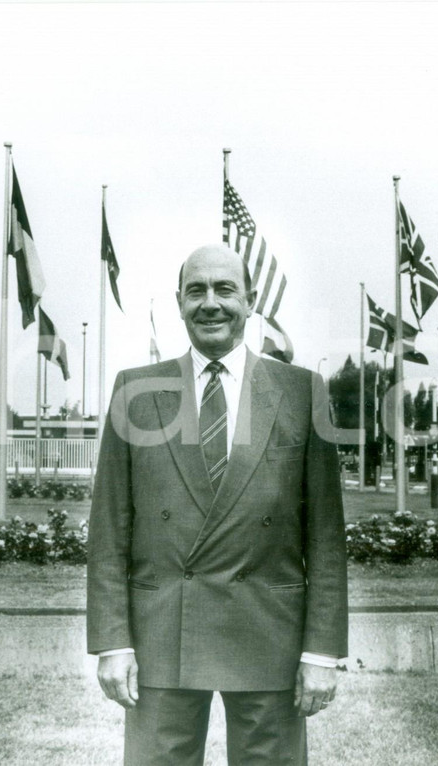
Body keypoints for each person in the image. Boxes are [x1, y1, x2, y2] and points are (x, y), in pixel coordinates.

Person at [86, 243, 348, 765]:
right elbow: (109, 531)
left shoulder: (302, 392)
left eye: (225, 289)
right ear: (179, 302)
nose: (211, 303)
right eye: (196, 291)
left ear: (250, 302)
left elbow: (325, 538)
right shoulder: (135, 391)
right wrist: (113, 643)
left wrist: (321, 651)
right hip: (162, 633)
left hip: (269, 632)